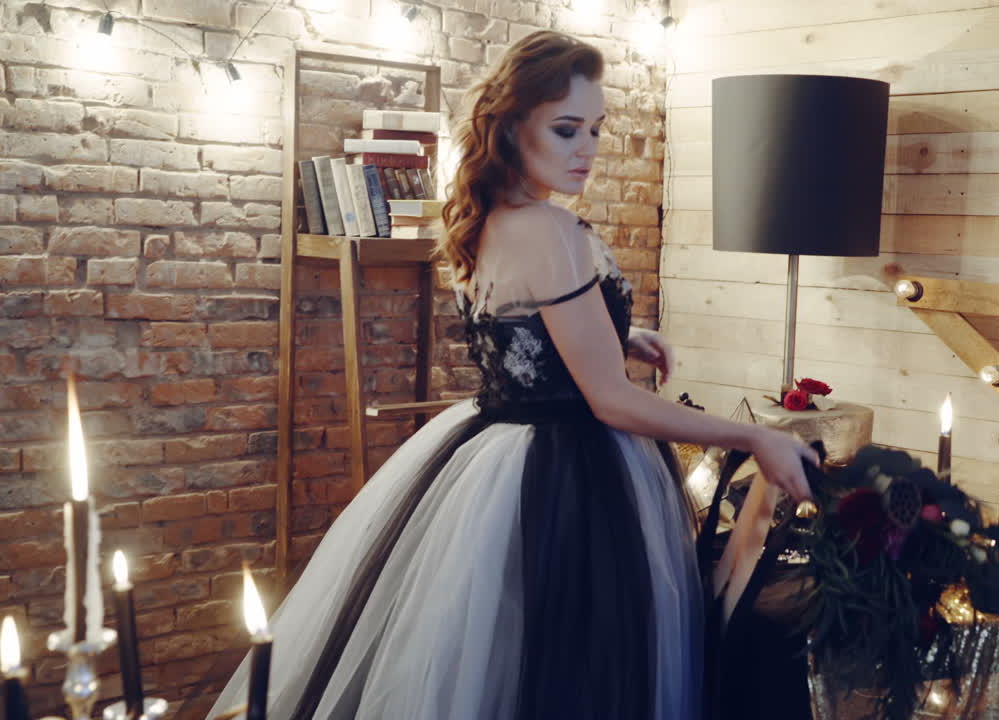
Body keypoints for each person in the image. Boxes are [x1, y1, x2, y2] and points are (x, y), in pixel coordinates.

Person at [207, 30, 818, 720]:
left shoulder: (488, 219)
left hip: (490, 452)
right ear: (511, 126)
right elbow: (612, 401)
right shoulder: (549, 231)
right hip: (573, 474)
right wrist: (752, 437)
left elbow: (518, 328)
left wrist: (621, 333)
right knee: (572, 674)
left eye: (594, 128)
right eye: (565, 130)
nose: (586, 148)